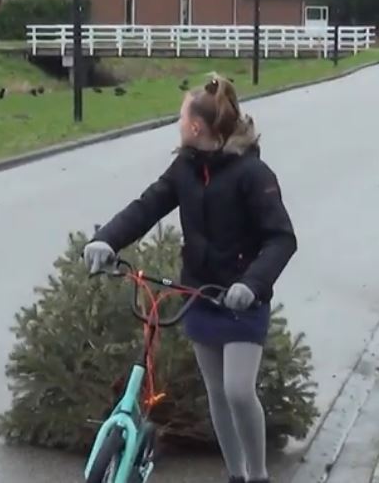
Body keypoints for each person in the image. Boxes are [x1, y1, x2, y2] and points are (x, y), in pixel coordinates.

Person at [82, 75, 297, 483]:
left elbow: (282, 239)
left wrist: (251, 284)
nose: (179, 123)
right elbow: (147, 206)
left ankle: (258, 475)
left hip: (241, 300)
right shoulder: (185, 167)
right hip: (199, 293)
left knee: (237, 390)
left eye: (182, 117)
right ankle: (236, 474)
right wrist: (106, 239)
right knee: (217, 392)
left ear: (197, 126)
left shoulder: (253, 173)